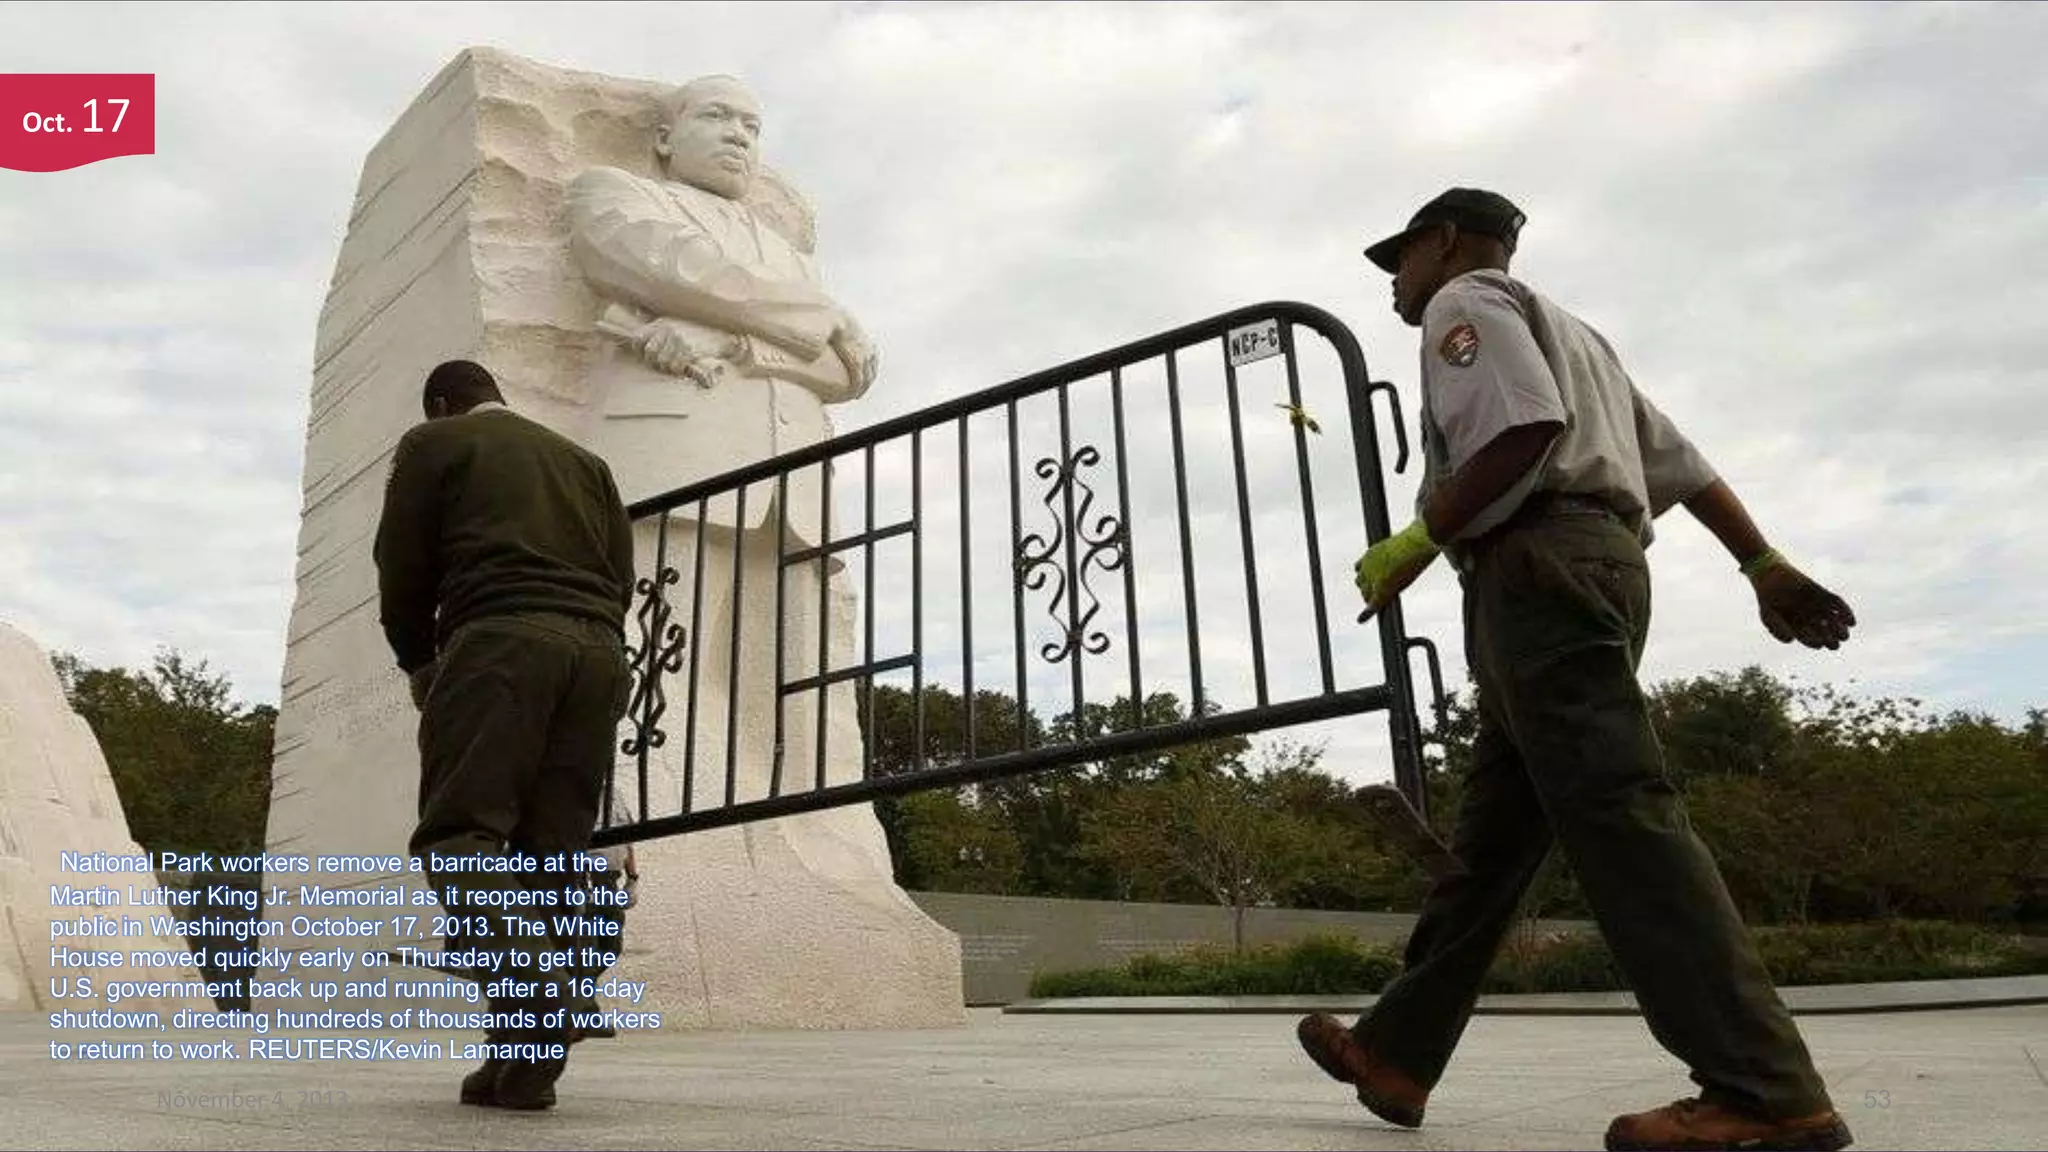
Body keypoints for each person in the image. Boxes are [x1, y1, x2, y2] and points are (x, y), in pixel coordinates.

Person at [1297, 189, 1859, 1152]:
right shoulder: (1579, 334)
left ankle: (1764, 1090)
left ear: (1443, 243)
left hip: (1537, 567)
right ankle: (1396, 1052)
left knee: (1621, 815)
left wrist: (1418, 539)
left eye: (1400, 257)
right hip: (1593, 564)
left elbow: (1527, 429)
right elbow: (1682, 468)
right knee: (1495, 842)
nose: (1396, 280)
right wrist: (1762, 563)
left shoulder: (1462, 303)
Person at [567, 73, 878, 813]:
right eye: (717, 116)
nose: (740, 134)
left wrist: (730, 340)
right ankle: (636, 814)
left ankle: (807, 826)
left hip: (793, 490)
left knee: (799, 692)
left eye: (752, 123)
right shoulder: (617, 193)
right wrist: (820, 315)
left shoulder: (790, 257)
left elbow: (850, 367)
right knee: (651, 663)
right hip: (678, 466)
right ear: (667, 137)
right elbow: (661, 263)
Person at [373, 358, 635, 1110]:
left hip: (500, 641)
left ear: (443, 404)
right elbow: (620, 572)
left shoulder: (434, 443)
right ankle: (523, 1070)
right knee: (549, 858)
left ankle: (546, 985)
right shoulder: (589, 464)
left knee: (459, 837)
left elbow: (401, 560)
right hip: (597, 656)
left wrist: (418, 660)